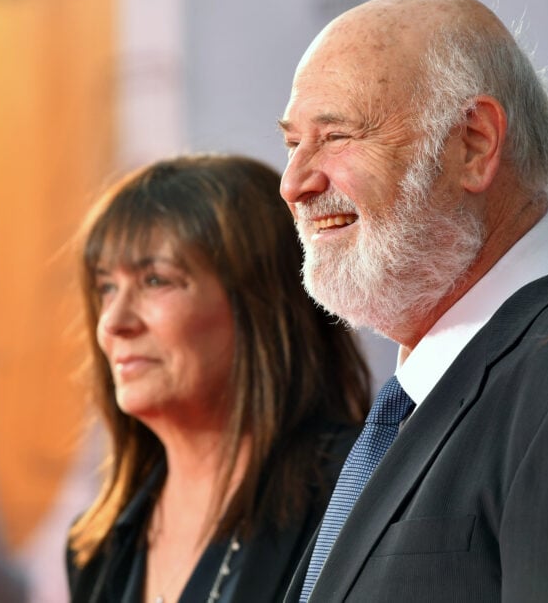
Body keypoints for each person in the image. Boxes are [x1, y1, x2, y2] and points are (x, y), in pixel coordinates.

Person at [277, 0, 548, 601]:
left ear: (474, 145)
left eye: (337, 136)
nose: (295, 182)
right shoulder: (423, 396)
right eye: (293, 143)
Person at [64, 154, 371, 603]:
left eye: (155, 280)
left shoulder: (360, 491)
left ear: (261, 306)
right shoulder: (98, 545)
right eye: (106, 287)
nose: (113, 322)